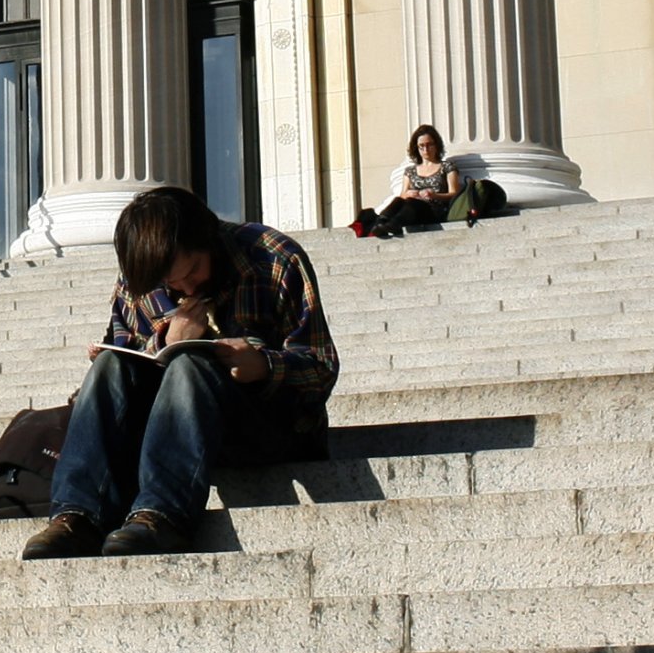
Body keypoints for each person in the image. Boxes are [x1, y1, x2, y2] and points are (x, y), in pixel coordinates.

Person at [24, 184, 339, 561]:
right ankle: (76, 517)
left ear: (209, 239)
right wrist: (160, 343)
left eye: (192, 270)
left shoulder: (274, 259)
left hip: (266, 425)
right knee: (112, 364)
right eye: (170, 283)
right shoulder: (140, 278)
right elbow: (129, 362)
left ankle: (161, 516)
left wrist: (265, 366)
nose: (185, 286)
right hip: (168, 432)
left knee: (192, 364)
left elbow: (321, 367)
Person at [355, 125, 464, 239]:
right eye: (421, 146)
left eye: (429, 144)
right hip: (413, 208)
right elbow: (403, 195)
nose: (425, 149)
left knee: (412, 203)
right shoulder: (410, 171)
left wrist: (434, 195)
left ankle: (394, 223)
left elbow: (454, 193)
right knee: (398, 200)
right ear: (416, 148)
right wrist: (409, 194)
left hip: (434, 211)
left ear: (436, 145)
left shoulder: (447, 167)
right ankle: (381, 221)